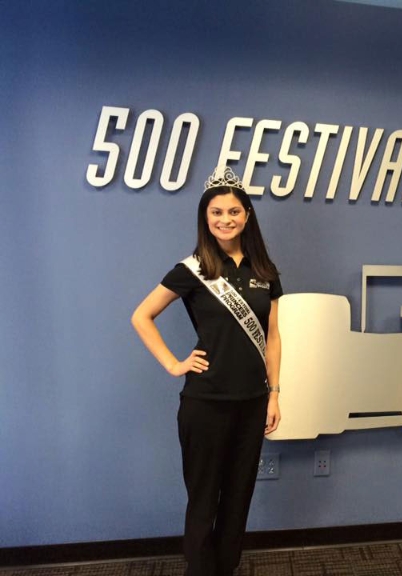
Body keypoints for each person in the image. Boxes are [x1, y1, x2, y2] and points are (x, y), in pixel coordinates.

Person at [131, 165, 282, 576]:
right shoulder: (192, 269)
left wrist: (274, 393)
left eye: (233, 211)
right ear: (206, 217)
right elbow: (142, 316)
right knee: (204, 502)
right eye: (216, 212)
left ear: (246, 215)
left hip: (251, 404)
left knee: (238, 501)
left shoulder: (264, 271)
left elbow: (273, 337)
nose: (225, 219)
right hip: (205, 403)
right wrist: (174, 364)